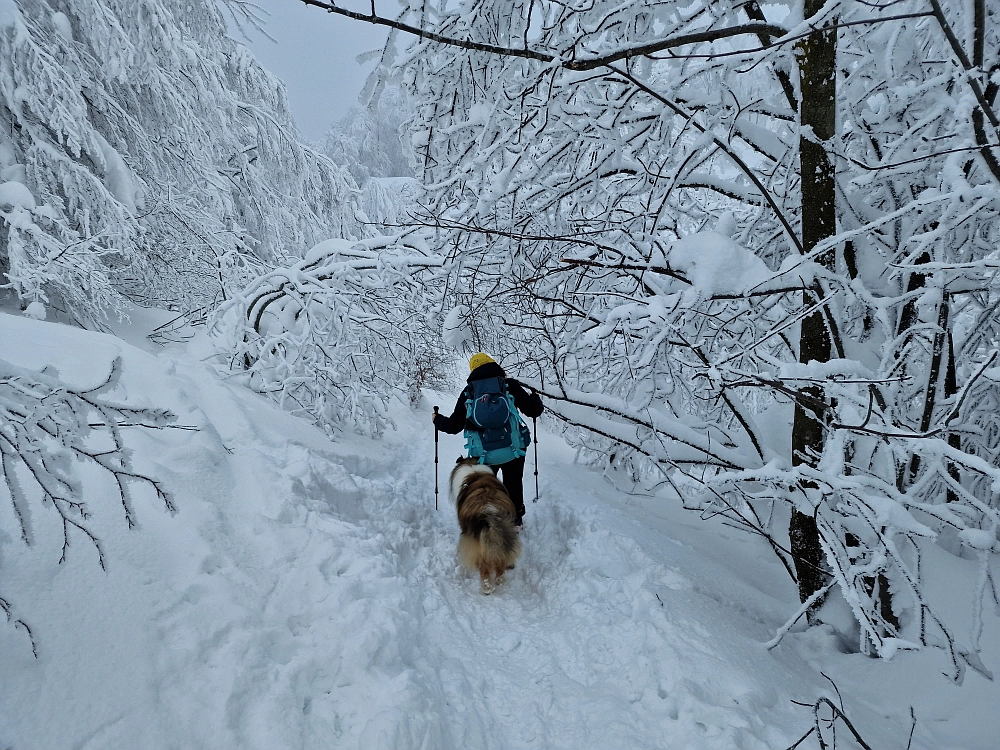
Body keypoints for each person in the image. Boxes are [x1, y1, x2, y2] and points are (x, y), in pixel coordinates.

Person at [433, 353, 543, 527]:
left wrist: (437, 420)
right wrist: (535, 398)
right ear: (495, 366)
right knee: (513, 483)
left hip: (482, 454)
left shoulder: (469, 392)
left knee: (485, 489)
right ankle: (515, 520)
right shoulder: (509, 385)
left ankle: (487, 522)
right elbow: (533, 411)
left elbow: (454, 426)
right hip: (513, 450)